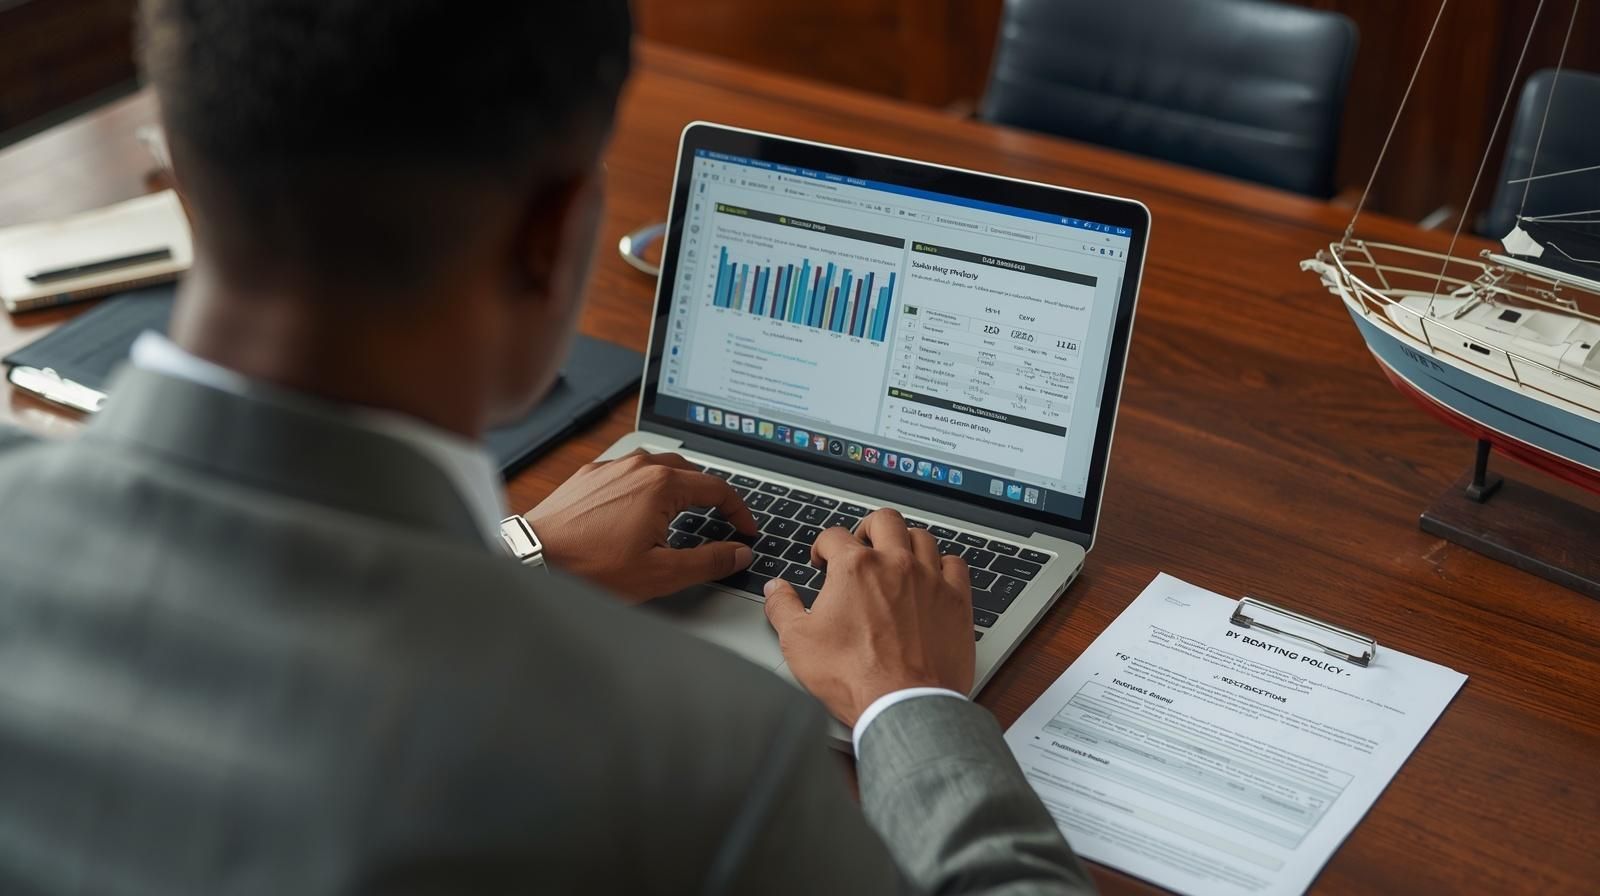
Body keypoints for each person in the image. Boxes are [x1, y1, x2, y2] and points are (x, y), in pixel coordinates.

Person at [0, 1, 1095, 893]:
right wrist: (912, 704)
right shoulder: (700, 759)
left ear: (181, 181)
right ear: (552, 236)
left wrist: (518, 553)